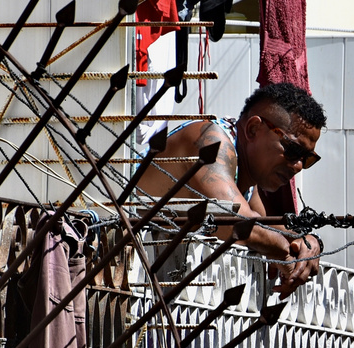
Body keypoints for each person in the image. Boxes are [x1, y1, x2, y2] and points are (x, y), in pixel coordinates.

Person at [135, 82, 326, 295]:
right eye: (292, 150)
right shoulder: (211, 142)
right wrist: (283, 250)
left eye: (307, 158)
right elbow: (235, 223)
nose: (298, 165)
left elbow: (263, 226)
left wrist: (307, 241)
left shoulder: (243, 173)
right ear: (253, 128)